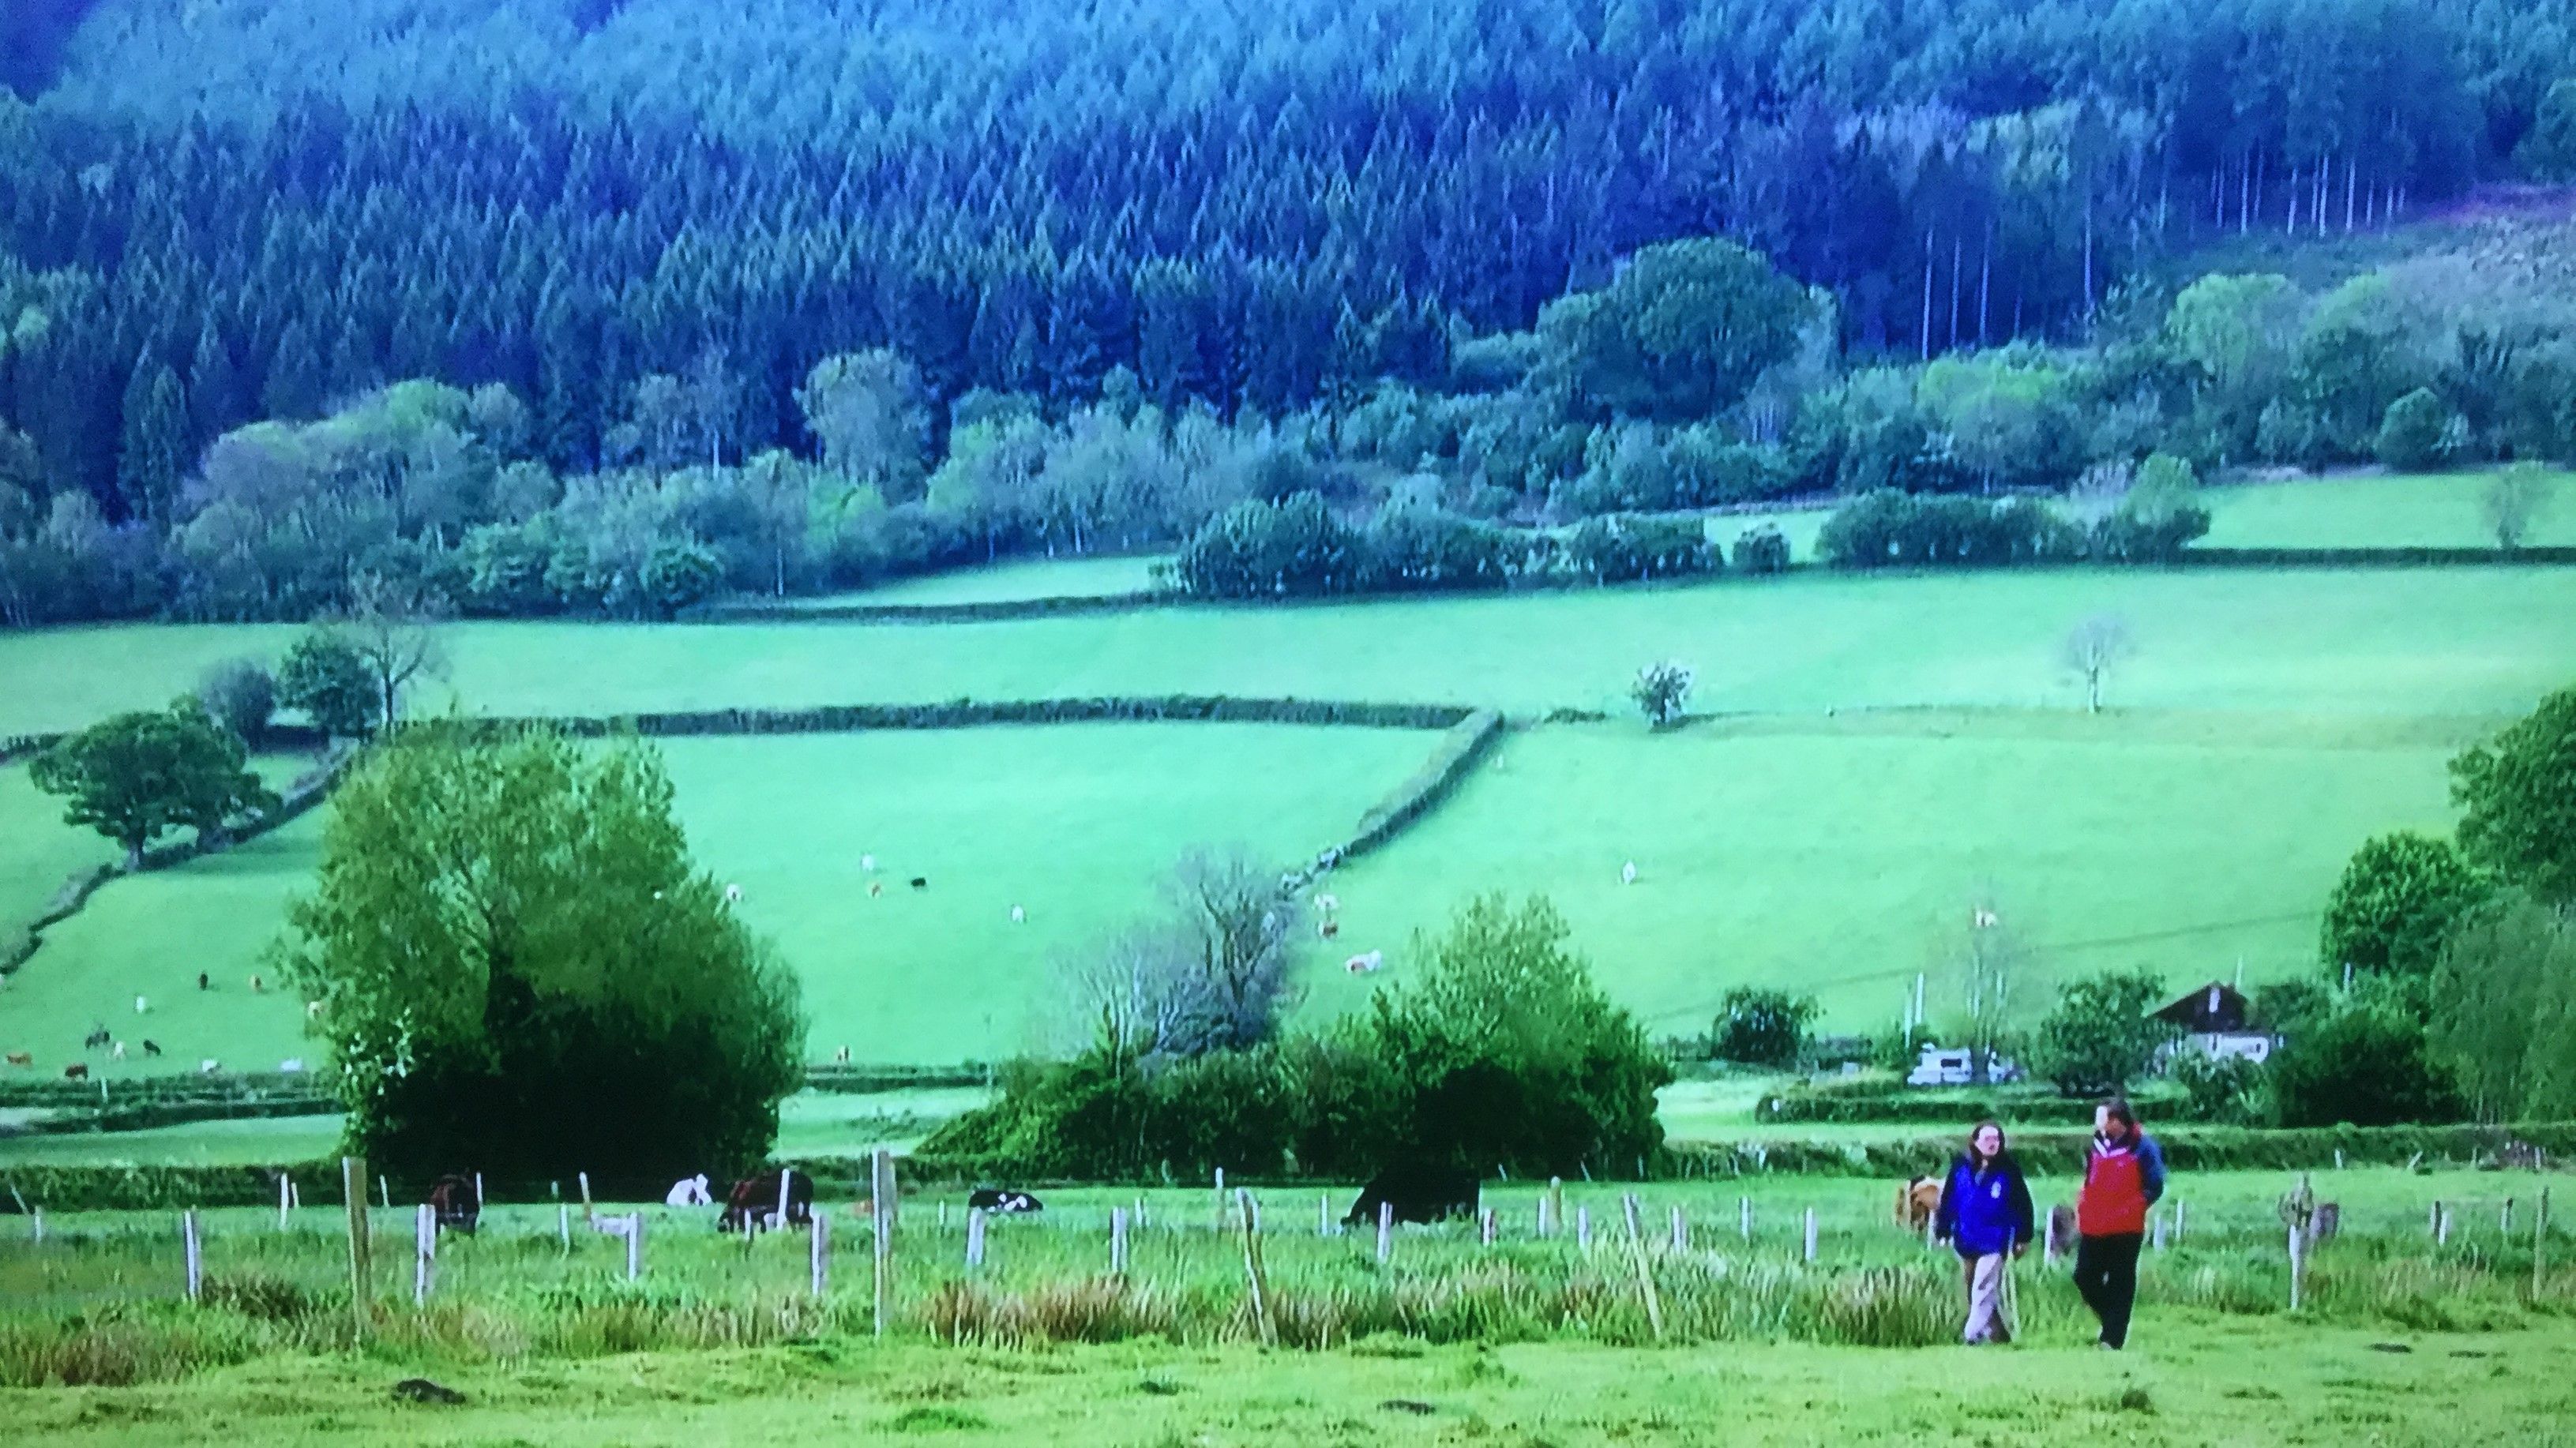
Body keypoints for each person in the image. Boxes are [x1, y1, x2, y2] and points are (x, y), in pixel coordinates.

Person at [2074, 1097, 2166, 1350]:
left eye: (2103, 1118)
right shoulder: (2096, 1144)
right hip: (2095, 1222)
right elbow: (2089, 1177)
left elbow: (2155, 1184)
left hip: (2127, 1226)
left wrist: (2134, 1206)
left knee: (2120, 1279)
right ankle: (2113, 1320)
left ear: (2117, 1120)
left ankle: (2112, 1339)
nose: (2099, 1123)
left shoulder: (2143, 1147)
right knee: (2084, 1275)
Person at [1933, 1120, 2035, 1344]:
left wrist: (2023, 1236)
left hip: (1994, 1240)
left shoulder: (2008, 1170)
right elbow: (1949, 1199)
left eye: (1996, 1139)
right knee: (1975, 1291)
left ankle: (1971, 1335)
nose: (1992, 1143)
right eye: (1987, 1139)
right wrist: (1943, 1229)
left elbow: (2023, 1204)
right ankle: (1999, 1336)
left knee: (1983, 1286)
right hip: (1966, 1238)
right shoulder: (1960, 1168)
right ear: (1976, 1142)